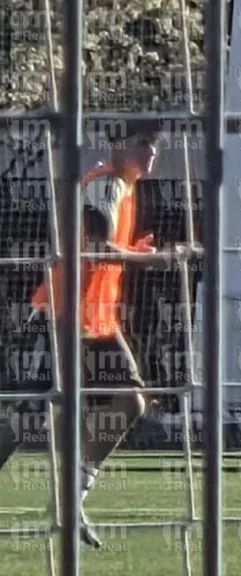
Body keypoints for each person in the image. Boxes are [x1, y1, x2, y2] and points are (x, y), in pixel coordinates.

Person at [0, 128, 177, 548]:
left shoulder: (122, 188)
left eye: (155, 143)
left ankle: (70, 497)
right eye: (142, 141)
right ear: (118, 143)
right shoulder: (107, 183)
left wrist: (136, 252)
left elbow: (102, 247)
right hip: (62, 313)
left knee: (129, 399)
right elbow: (95, 247)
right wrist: (151, 259)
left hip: (96, 319)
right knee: (23, 419)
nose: (151, 150)